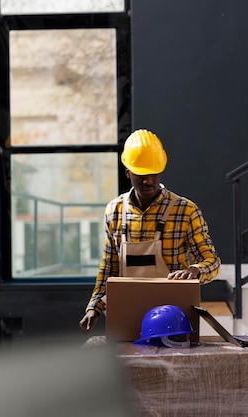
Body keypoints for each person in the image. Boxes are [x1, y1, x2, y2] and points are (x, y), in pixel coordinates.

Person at [79, 129, 221, 333]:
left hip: (174, 317)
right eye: (141, 174)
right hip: (127, 312)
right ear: (127, 172)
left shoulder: (185, 210)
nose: (148, 181)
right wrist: (95, 307)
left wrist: (195, 270)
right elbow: (109, 268)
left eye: (153, 174)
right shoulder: (114, 211)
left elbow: (213, 262)